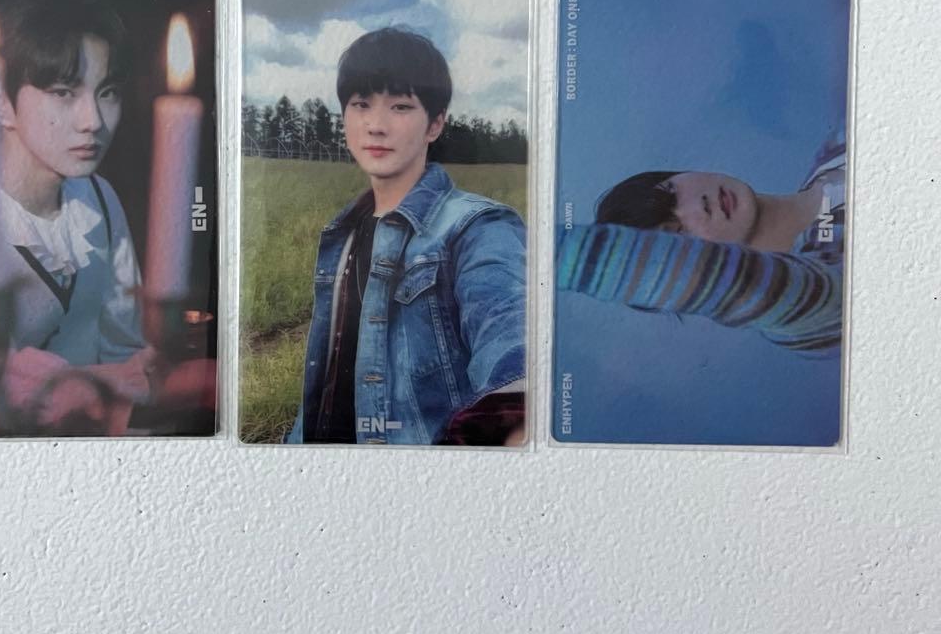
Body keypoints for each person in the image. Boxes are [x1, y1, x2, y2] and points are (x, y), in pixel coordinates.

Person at [0, 0, 157, 435]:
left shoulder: (98, 198)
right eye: (63, 92)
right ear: (0, 102)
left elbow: (126, 348)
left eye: (108, 92)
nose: (93, 121)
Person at [285, 26, 527, 445]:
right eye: (361, 104)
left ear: (435, 124)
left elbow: (509, 327)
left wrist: (515, 413)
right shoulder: (342, 233)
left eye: (400, 106)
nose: (376, 125)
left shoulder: (479, 227)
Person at [558, 131, 847, 355]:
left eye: (670, 190)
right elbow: (763, 293)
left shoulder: (834, 148)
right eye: (677, 235)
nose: (699, 206)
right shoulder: (812, 298)